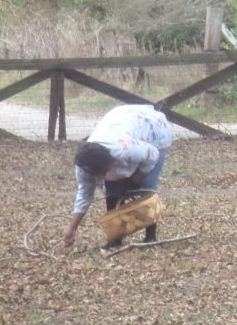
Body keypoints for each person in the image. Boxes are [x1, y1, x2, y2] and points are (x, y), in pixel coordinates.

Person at [64, 104, 174, 249]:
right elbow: (84, 195)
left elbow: (153, 155)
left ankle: (150, 237)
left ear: (109, 163)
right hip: (120, 124)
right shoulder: (83, 165)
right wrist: (72, 228)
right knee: (113, 190)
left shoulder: (123, 149)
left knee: (146, 187)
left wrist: (137, 178)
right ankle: (115, 240)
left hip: (150, 130)